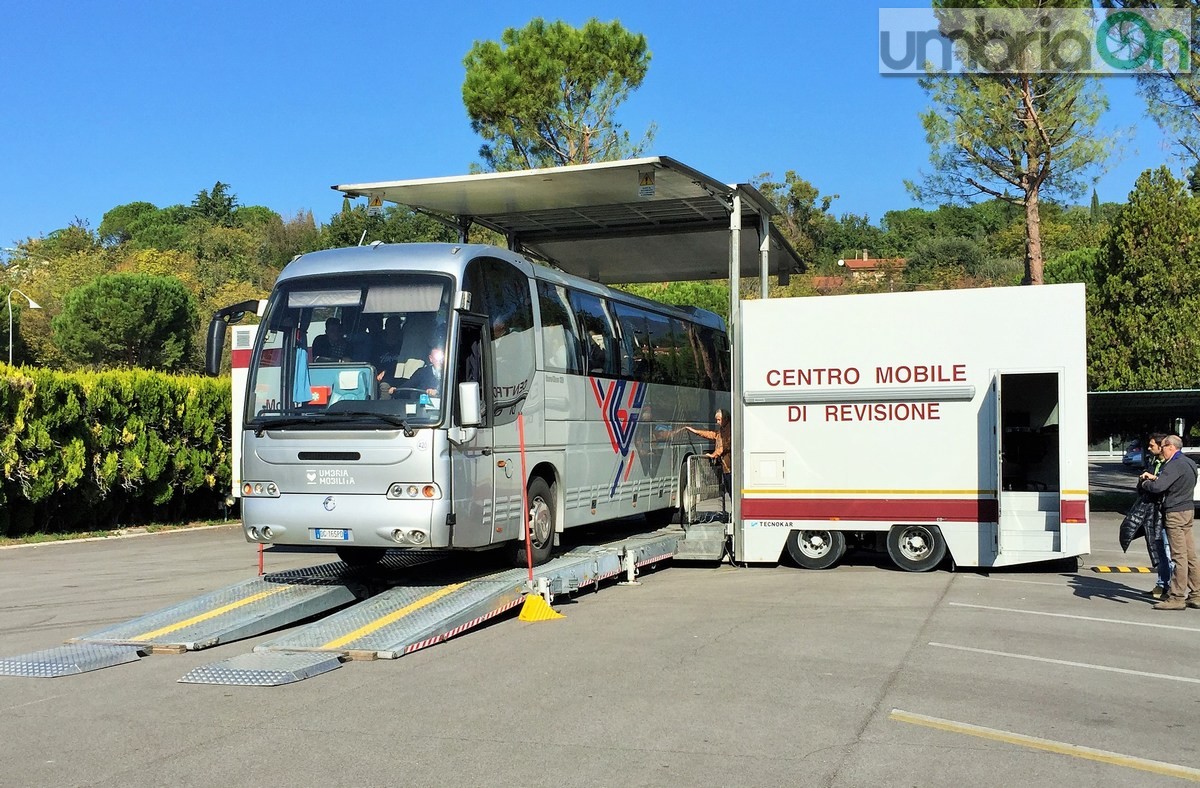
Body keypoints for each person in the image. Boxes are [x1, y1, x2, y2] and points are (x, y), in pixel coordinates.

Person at [1139, 434, 1200, 610]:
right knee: (1190, 555)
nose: (1161, 450)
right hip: (1188, 510)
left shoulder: (1174, 464)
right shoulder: (1188, 463)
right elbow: (1174, 482)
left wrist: (1145, 484)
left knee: (1178, 555)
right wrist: (1156, 478)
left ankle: (1177, 597)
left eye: (1164, 447)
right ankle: (1196, 594)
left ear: (1171, 447)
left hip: (1175, 512)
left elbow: (1158, 488)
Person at [1139, 433, 1172, 599]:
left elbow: (1161, 486)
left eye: (1152, 445)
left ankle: (1171, 587)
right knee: (1157, 548)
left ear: (1162, 446)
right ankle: (1162, 584)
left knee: (1168, 549)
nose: (1150, 448)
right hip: (1153, 512)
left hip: (1167, 513)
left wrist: (1150, 481)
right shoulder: (1154, 462)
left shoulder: (1170, 465)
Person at [684, 408, 732, 510]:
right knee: (729, 488)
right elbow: (712, 435)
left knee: (732, 490)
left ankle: (735, 514)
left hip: (730, 466)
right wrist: (696, 431)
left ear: (726, 419)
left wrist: (714, 454)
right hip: (726, 466)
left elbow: (726, 445)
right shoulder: (722, 430)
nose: (717, 422)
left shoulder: (729, 430)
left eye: (719, 420)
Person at [373, 316, 407, 395]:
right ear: (386, 327)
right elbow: (373, 363)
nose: (393, 330)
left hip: (400, 376)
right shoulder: (378, 345)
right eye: (391, 326)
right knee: (384, 386)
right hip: (382, 378)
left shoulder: (404, 345)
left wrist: (386, 371)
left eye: (396, 327)